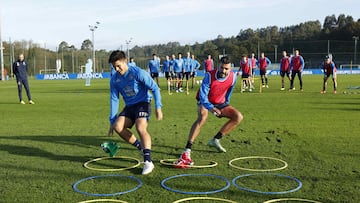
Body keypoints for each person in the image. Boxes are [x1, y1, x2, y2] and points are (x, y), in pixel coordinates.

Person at [175, 56, 243, 167]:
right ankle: (187, 150)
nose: (224, 71)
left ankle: (215, 140)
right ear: (218, 66)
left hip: (220, 103)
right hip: (205, 101)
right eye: (222, 68)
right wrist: (211, 108)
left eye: (226, 69)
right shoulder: (209, 76)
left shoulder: (233, 77)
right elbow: (202, 96)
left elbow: (229, 92)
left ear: (230, 69)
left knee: (238, 117)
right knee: (202, 117)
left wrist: (225, 104)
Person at [108, 50, 163, 175]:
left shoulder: (138, 73)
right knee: (117, 126)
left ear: (125, 61)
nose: (116, 69)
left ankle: (148, 162)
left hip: (143, 103)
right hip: (129, 106)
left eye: (118, 66)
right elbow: (114, 99)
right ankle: (141, 148)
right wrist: (112, 121)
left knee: (140, 127)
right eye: (114, 66)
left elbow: (154, 88)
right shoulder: (114, 80)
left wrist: (158, 107)